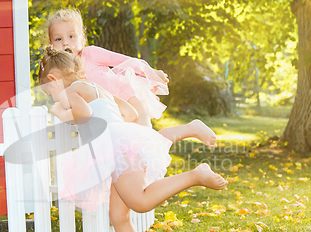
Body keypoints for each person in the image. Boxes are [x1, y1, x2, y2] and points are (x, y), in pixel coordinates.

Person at [39, 46, 228, 232]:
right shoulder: (99, 90)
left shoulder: (71, 90)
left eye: (49, 91)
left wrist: (61, 112)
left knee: (139, 202)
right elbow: (129, 112)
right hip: (120, 142)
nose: (52, 97)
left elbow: (83, 114)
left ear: (54, 79)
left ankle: (195, 175)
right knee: (118, 216)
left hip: (115, 149)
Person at [45, 8, 218, 147]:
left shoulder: (89, 54)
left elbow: (126, 61)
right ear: (51, 45)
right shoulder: (64, 74)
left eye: (71, 36)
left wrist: (151, 73)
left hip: (129, 103)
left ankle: (191, 129)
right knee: (130, 155)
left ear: (82, 39)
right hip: (113, 115)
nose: (66, 43)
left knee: (147, 145)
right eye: (58, 39)